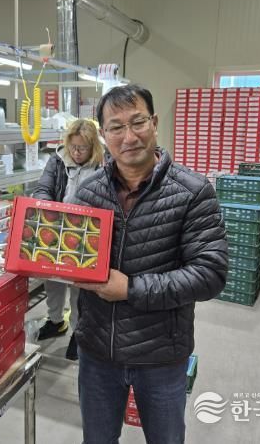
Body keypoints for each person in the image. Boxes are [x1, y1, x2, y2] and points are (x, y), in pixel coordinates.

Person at [72, 84, 228, 444]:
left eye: (137, 122)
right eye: (116, 127)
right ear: (103, 135)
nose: (129, 137)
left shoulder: (192, 191)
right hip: (97, 351)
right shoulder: (88, 192)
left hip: (160, 355)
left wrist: (130, 289)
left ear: (154, 123)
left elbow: (210, 273)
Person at [31, 118, 105, 360]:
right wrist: (48, 209)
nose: (76, 152)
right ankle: (55, 321)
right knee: (53, 281)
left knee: (78, 288)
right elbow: (43, 188)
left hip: (86, 234)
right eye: (73, 147)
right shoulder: (57, 160)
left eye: (82, 148)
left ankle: (77, 331)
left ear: (93, 146)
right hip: (56, 229)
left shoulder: (104, 165)